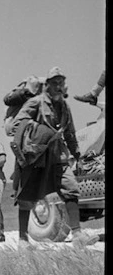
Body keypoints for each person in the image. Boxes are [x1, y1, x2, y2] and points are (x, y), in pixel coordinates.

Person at [13, 67, 99, 249]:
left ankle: (77, 236)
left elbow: (70, 133)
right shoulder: (36, 103)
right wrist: (38, 134)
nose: (59, 87)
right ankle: (22, 239)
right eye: (55, 83)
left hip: (58, 155)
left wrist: (77, 155)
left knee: (71, 188)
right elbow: (16, 125)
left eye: (61, 83)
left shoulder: (64, 106)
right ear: (48, 86)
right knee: (28, 195)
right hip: (36, 156)